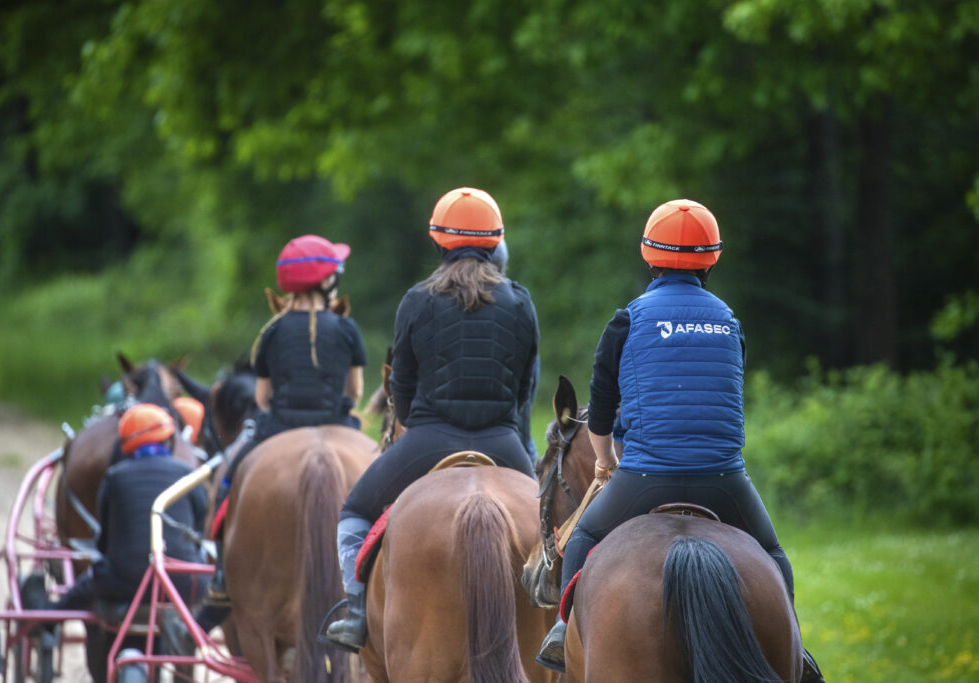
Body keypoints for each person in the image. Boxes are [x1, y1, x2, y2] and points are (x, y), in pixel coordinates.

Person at [534, 199, 824, 682]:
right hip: (724, 481)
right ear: (712, 258)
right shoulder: (729, 321)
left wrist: (605, 463)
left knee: (582, 538)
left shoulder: (626, 320)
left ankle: (564, 633)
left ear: (649, 254)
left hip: (645, 478)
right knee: (772, 556)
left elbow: (601, 410)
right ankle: (798, 648)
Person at [320, 186, 541, 652]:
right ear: (495, 240)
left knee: (354, 514)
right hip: (503, 443)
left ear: (439, 240)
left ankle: (357, 612)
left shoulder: (417, 300)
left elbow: (400, 385)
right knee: (554, 530)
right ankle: (562, 622)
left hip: (428, 440)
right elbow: (525, 389)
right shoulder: (521, 302)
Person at [202, 234, 367, 606]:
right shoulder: (347, 330)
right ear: (326, 282)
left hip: (277, 429)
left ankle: (221, 574)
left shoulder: (272, 332)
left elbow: (263, 398)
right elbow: (354, 392)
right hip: (339, 426)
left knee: (231, 477)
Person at [22, 403, 207, 681]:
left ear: (126, 445)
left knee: (87, 583)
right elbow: (198, 532)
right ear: (169, 439)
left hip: (123, 585)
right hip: (182, 585)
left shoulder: (114, 478)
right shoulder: (189, 476)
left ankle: (47, 617)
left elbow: (104, 544)